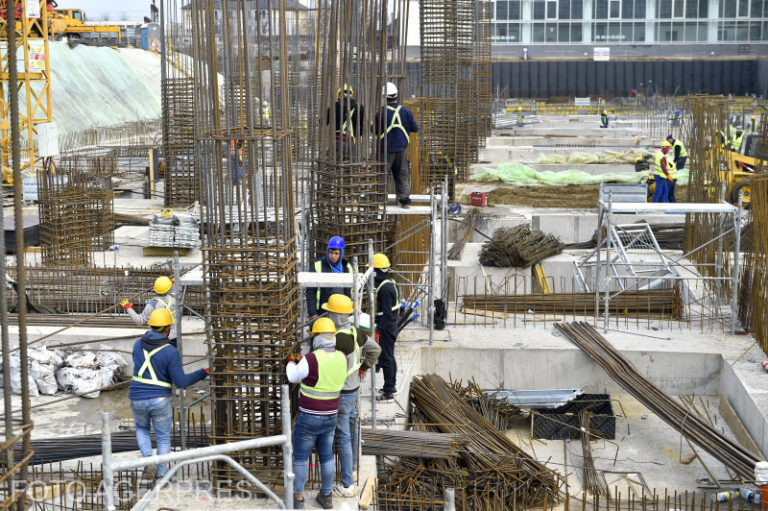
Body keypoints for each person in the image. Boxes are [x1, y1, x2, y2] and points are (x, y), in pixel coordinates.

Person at [129, 309, 208, 480]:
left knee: (142, 428)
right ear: (166, 330)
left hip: (137, 396)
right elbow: (181, 382)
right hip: (160, 399)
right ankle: (161, 475)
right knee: (163, 437)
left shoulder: (137, 344)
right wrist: (204, 371)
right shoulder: (170, 352)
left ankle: (148, 458)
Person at [319, 294, 381, 498]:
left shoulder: (335, 340)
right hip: (354, 390)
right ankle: (353, 469)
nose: (327, 314)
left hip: (341, 393)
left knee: (343, 436)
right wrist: (362, 368)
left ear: (335, 315)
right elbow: (376, 349)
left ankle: (347, 485)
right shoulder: (356, 333)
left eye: (329, 311)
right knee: (352, 429)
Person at [286, 318, 347, 510]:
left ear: (317, 337)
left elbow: (293, 376)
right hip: (331, 415)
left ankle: (298, 497)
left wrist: (291, 361)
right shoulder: (342, 357)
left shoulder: (311, 359)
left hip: (310, 417)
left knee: (301, 457)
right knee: (327, 456)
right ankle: (326, 496)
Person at [375, 82, 419, 209]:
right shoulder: (406, 112)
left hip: (385, 150)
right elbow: (415, 128)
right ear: (396, 95)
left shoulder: (381, 113)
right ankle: (405, 200)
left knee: (382, 174)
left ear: (385, 97)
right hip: (401, 150)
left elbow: (376, 131)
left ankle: (380, 198)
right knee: (402, 174)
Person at [306, 236, 354, 322]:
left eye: (336, 253)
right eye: (331, 252)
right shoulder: (318, 266)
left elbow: (351, 291)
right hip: (323, 312)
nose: (333, 256)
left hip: (342, 311)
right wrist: (312, 312)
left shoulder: (347, 267)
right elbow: (310, 291)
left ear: (341, 253)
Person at [372, 253, 400, 400]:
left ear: (376, 271)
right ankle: (390, 385)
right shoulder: (390, 282)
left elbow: (387, 314)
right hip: (390, 325)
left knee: (386, 358)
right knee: (389, 356)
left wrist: (378, 330)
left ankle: (388, 390)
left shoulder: (384, 289)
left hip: (387, 326)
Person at [122, 276, 179, 347]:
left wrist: (128, 307)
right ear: (169, 288)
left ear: (155, 289)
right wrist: (173, 282)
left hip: (158, 340)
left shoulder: (152, 305)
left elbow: (139, 321)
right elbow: (173, 290)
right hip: (174, 337)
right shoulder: (175, 298)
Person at [327, 84, 363, 161]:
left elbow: (323, 122)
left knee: (333, 167)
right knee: (350, 168)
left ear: (339, 94)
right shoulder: (360, 108)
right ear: (351, 94)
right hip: (351, 141)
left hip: (337, 141)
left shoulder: (334, 106)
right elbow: (361, 130)